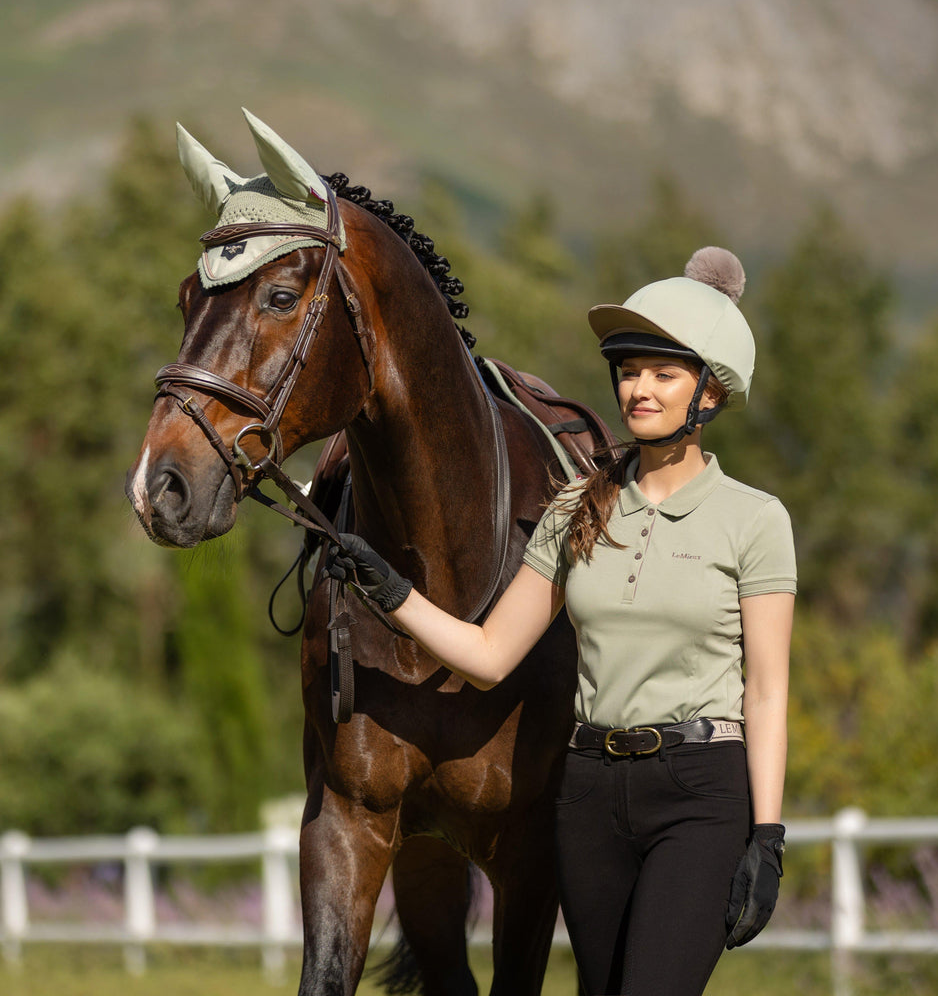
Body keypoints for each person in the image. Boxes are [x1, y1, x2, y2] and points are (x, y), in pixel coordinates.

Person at [325, 247, 796, 996]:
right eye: (630, 370)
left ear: (710, 392)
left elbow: (767, 693)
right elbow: (488, 653)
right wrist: (392, 593)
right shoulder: (576, 509)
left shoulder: (756, 521)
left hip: (700, 793)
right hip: (589, 797)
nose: (638, 389)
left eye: (663, 373)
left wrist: (766, 836)